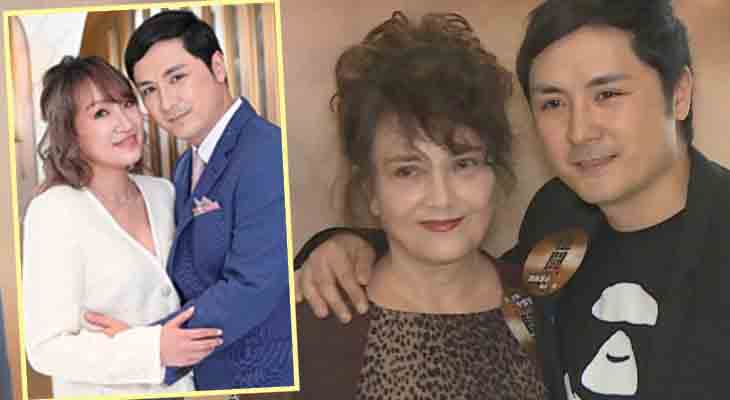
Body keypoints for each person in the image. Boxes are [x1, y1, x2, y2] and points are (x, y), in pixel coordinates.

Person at [294, 0, 730, 399]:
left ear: (679, 93)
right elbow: (445, 257)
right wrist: (351, 244)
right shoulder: (559, 217)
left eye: (607, 94)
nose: (580, 131)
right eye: (554, 102)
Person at [295, 11, 547, 399]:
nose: (442, 197)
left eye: (464, 164)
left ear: (495, 173)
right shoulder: (312, 327)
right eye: (408, 171)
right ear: (371, 190)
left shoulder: (543, 309)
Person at [89, 10, 294, 390]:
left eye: (177, 78)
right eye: (149, 90)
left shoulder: (266, 150)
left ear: (218, 67)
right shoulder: (185, 167)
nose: (166, 103)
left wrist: (149, 343)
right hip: (208, 377)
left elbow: (252, 286)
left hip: (262, 377)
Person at [22, 55, 222, 397]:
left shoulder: (163, 193)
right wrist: (150, 348)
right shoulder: (54, 210)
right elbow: (46, 348)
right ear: (70, 131)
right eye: (101, 113)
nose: (126, 123)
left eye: (128, 104)